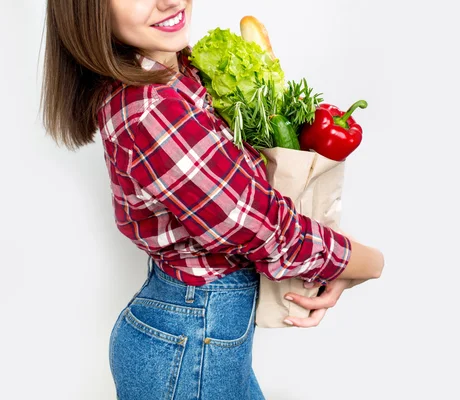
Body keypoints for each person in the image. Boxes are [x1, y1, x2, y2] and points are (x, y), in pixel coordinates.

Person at [40, 0, 385, 398]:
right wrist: (364, 262)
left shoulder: (177, 72)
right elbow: (260, 226)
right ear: (87, 13)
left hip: (196, 340)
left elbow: (242, 191)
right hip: (189, 349)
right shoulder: (153, 110)